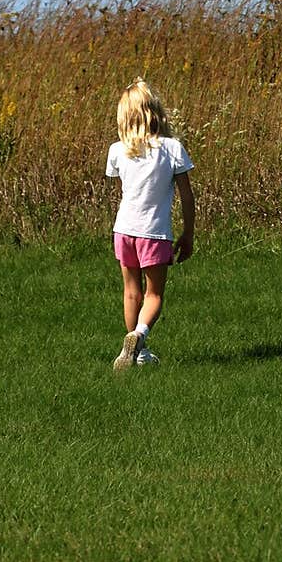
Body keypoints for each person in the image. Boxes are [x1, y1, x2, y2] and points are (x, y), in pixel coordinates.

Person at [106, 78, 195, 370]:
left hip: (123, 230)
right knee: (154, 294)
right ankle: (139, 336)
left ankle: (133, 353)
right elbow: (186, 195)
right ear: (155, 112)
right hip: (155, 233)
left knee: (131, 292)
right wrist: (188, 233)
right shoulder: (172, 149)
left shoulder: (117, 151)